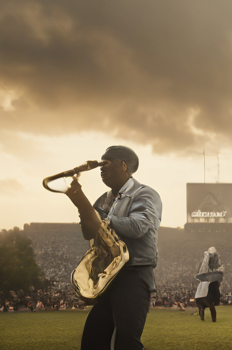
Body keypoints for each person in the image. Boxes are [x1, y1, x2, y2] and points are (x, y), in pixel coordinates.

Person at [65, 145, 162, 350]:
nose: (100, 168)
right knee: (93, 339)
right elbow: (89, 233)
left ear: (123, 165)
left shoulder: (145, 194)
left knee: (126, 342)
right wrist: (82, 204)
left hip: (134, 273)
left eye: (105, 163)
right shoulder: (104, 198)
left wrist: (102, 219)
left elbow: (138, 226)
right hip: (110, 274)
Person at [194, 247, 224, 322]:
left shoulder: (216, 268)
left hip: (207, 285)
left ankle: (209, 319)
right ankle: (205, 318)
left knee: (207, 304)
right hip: (205, 284)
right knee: (205, 305)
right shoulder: (205, 265)